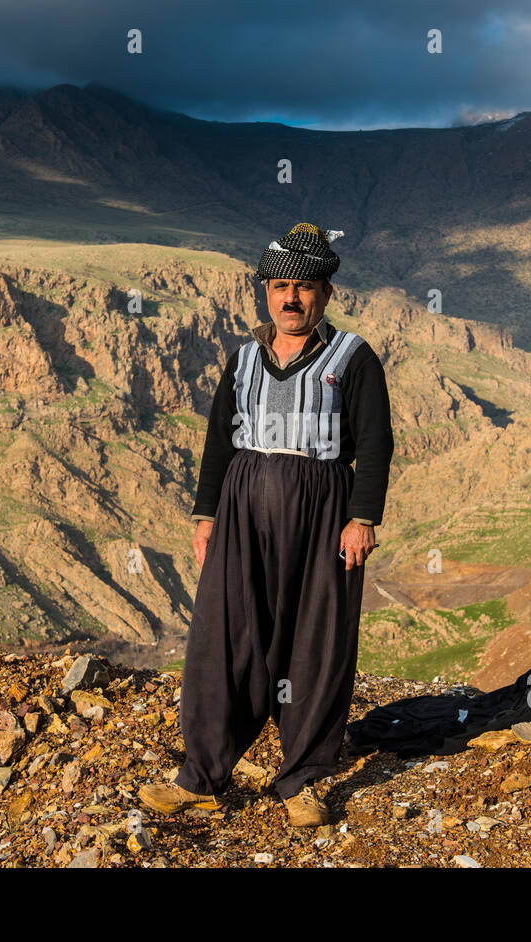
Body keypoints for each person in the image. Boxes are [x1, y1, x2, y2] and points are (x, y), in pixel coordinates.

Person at [139, 222, 394, 827]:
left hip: (323, 512)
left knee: (317, 639)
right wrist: (206, 515)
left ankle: (302, 778)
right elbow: (218, 443)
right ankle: (202, 775)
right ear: (263, 293)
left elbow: (377, 444)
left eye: (303, 288)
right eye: (279, 286)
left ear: (325, 293)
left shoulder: (352, 358)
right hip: (241, 512)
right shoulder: (243, 361)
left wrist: (362, 518)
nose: (290, 299)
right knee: (223, 637)